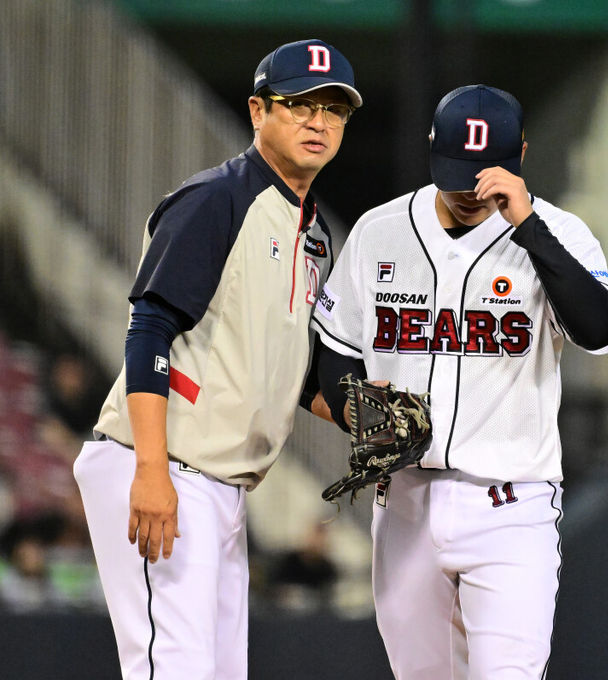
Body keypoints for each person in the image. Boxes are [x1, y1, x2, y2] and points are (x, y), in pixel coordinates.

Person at [312, 84, 608, 678]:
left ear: (521, 156)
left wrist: (529, 227)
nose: (467, 193)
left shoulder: (560, 232)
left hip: (511, 503)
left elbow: (599, 328)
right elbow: (336, 348)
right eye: (455, 174)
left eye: (482, 178)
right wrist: (360, 414)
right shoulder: (381, 230)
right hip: (404, 502)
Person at [73, 39, 361, 679]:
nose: (318, 122)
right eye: (299, 105)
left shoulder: (314, 233)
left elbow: (295, 370)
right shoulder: (216, 200)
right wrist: (150, 472)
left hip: (220, 485)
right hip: (161, 464)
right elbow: (149, 328)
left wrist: (358, 415)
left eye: (333, 109)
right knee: (173, 668)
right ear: (258, 111)